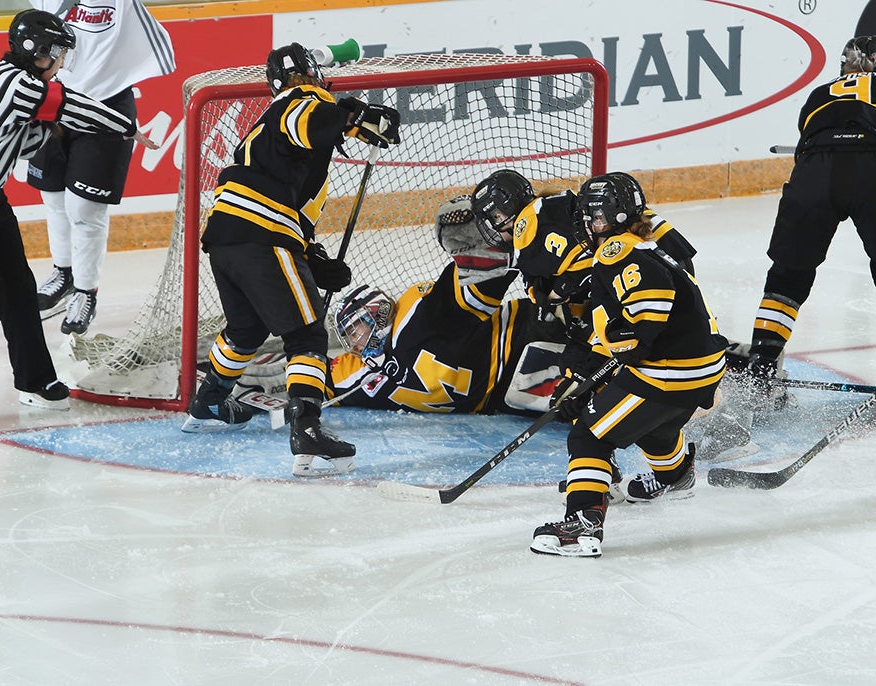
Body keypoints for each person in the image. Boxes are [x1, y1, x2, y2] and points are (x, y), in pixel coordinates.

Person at [0, 9, 158, 430]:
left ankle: (36, 381)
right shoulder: (16, 83)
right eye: (58, 53)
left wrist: (54, 130)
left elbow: (28, 141)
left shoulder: (19, 82)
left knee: (19, 290)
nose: (63, 61)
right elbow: (73, 107)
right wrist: (125, 126)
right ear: (37, 51)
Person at [180, 42, 400, 478]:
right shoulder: (302, 101)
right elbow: (312, 119)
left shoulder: (269, 124)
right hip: (262, 235)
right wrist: (357, 115)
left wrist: (312, 257)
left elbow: (290, 205)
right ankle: (308, 433)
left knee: (247, 329)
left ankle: (207, 402)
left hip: (227, 234)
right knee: (306, 336)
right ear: (310, 75)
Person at [526, 173, 727, 558]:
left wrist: (619, 352)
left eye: (592, 216)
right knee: (655, 431)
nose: (586, 225)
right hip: (698, 369)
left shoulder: (617, 251)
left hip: (669, 372)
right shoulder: (645, 243)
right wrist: (587, 372)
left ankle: (581, 522)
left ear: (610, 217)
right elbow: (624, 330)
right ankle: (677, 476)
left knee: (588, 434)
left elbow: (639, 327)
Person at [328, 195, 594, 416]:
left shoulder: (413, 314)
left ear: (377, 313)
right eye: (349, 335)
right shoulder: (360, 375)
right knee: (584, 403)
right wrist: (300, 370)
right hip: (506, 395)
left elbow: (464, 298)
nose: (353, 341)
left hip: (520, 334)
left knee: (601, 326)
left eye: (355, 329)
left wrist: (492, 245)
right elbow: (323, 379)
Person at [27, 0, 175, 335]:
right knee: (53, 199)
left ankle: (85, 290)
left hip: (105, 101)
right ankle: (63, 274)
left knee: (84, 209)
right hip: (53, 96)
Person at [745, 36, 876, 386]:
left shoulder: (819, 93)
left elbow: (808, 140)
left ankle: (761, 367)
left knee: (788, 275)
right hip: (871, 167)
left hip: (815, 173)